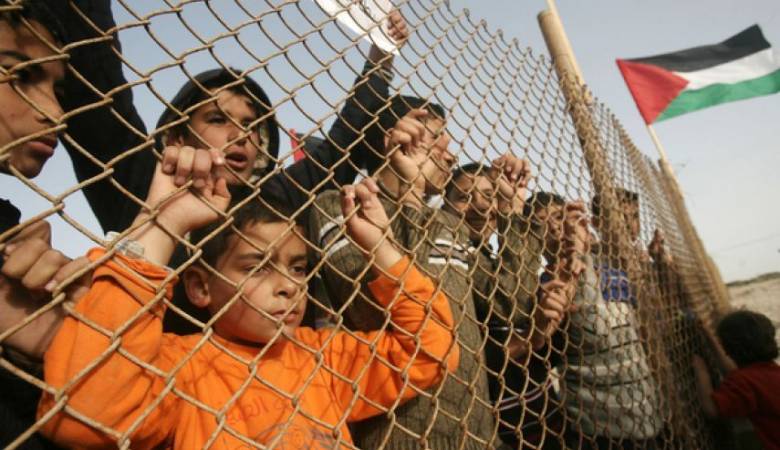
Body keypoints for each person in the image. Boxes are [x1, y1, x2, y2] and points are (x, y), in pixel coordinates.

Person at [35, 156, 458, 448]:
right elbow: (85, 417)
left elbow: (430, 351)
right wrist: (165, 225)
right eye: (257, 267)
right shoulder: (179, 366)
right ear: (201, 288)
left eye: (298, 268)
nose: (289, 286)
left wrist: (381, 248)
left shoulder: (321, 356)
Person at [0, 2, 91, 448]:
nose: (56, 113)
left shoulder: (14, 236)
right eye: (19, 76)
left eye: (57, 89)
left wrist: (41, 359)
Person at [442, 168, 578, 448]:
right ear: (445, 205)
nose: (481, 206)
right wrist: (513, 211)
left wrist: (547, 323)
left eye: (489, 196)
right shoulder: (452, 258)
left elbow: (542, 351)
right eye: (464, 197)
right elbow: (509, 303)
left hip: (541, 413)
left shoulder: (491, 259)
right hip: (496, 426)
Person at [560, 188, 664, 449]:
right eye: (620, 218)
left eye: (634, 217)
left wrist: (658, 265)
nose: (629, 225)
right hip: (609, 416)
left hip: (648, 395)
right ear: (597, 222)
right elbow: (598, 326)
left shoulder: (638, 264)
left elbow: (653, 318)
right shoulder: (591, 266)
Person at [692, 310, 780, 450]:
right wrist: (709, 338)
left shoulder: (744, 381)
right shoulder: (771, 371)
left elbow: (711, 409)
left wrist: (701, 372)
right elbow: (733, 371)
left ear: (729, 349)